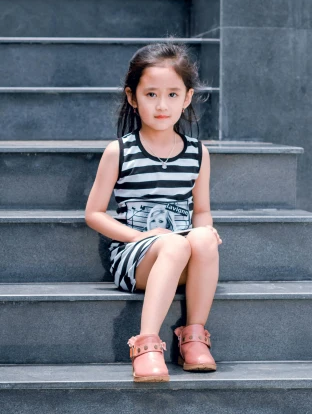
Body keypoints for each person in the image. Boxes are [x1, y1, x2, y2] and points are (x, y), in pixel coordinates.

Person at [84, 42, 222, 383]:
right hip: (136, 257)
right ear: (133, 97)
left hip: (181, 251)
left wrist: (206, 233)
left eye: (173, 95)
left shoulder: (196, 153)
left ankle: (193, 337)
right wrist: (141, 236)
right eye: (151, 95)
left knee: (202, 238)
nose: (162, 105)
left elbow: (201, 210)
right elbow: (94, 213)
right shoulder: (120, 151)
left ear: (187, 98)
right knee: (173, 244)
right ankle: (146, 345)